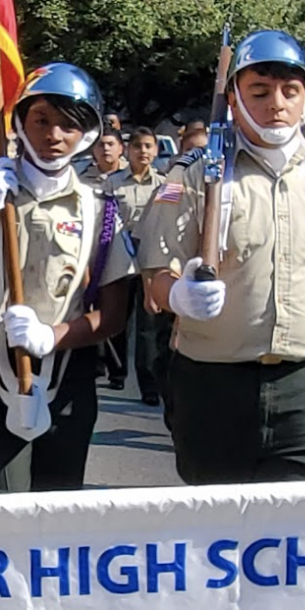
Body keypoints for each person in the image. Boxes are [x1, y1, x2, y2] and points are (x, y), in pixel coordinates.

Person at [141, 31, 305, 483]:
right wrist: (178, 295)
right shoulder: (195, 179)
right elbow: (156, 273)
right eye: (259, 91)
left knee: (297, 536)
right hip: (212, 383)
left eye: (290, 91)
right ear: (233, 100)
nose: (276, 103)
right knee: (216, 534)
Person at [0, 63, 135, 492]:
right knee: (3, 505)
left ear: (90, 134)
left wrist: (54, 335)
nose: (54, 135)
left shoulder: (101, 208)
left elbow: (114, 316)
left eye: (70, 124)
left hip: (67, 367)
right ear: (20, 120)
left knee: (59, 507)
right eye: (41, 119)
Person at [104, 126, 168, 405]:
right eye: (138, 146)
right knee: (118, 318)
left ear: (155, 151)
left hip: (150, 259)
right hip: (119, 257)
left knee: (148, 325)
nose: (143, 151)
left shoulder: (164, 184)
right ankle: (117, 372)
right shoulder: (113, 183)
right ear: (127, 151)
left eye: (148, 146)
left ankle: (149, 385)